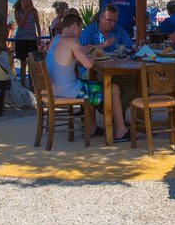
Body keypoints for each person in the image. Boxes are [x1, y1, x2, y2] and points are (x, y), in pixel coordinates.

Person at [48, 13, 129, 141]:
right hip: (70, 91)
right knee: (113, 88)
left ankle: (92, 128)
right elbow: (89, 64)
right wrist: (95, 53)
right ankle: (121, 131)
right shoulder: (72, 40)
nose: (81, 31)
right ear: (75, 25)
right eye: (81, 28)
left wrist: (98, 47)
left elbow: (81, 49)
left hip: (54, 89)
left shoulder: (56, 39)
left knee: (90, 82)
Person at [12, 0, 41, 86]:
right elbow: (20, 25)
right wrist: (27, 13)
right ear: (20, 2)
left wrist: (39, 37)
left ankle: (33, 85)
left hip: (32, 39)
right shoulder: (17, 11)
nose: (26, 3)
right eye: (24, 1)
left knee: (32, 63)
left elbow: (37, 24)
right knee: (23, 62)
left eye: (28, 1)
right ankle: (23, 84)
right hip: (21, 39)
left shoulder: (34, 11)